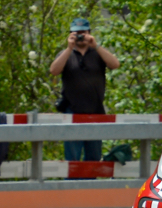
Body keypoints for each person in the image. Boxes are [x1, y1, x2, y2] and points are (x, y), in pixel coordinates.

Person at [49, 17, 120, 161]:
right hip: (72, 112)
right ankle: (73, 183)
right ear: (70, 35)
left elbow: (115, 64)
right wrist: (69, 48)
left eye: (83, 33)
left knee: (93, 157)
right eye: (76, 33)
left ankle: (90, 184)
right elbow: (54, 71)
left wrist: (96, 46)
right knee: (73, 158)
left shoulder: (97, 54)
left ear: (89, 33)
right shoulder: (66, 54)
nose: (80, 37)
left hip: (95, 111)